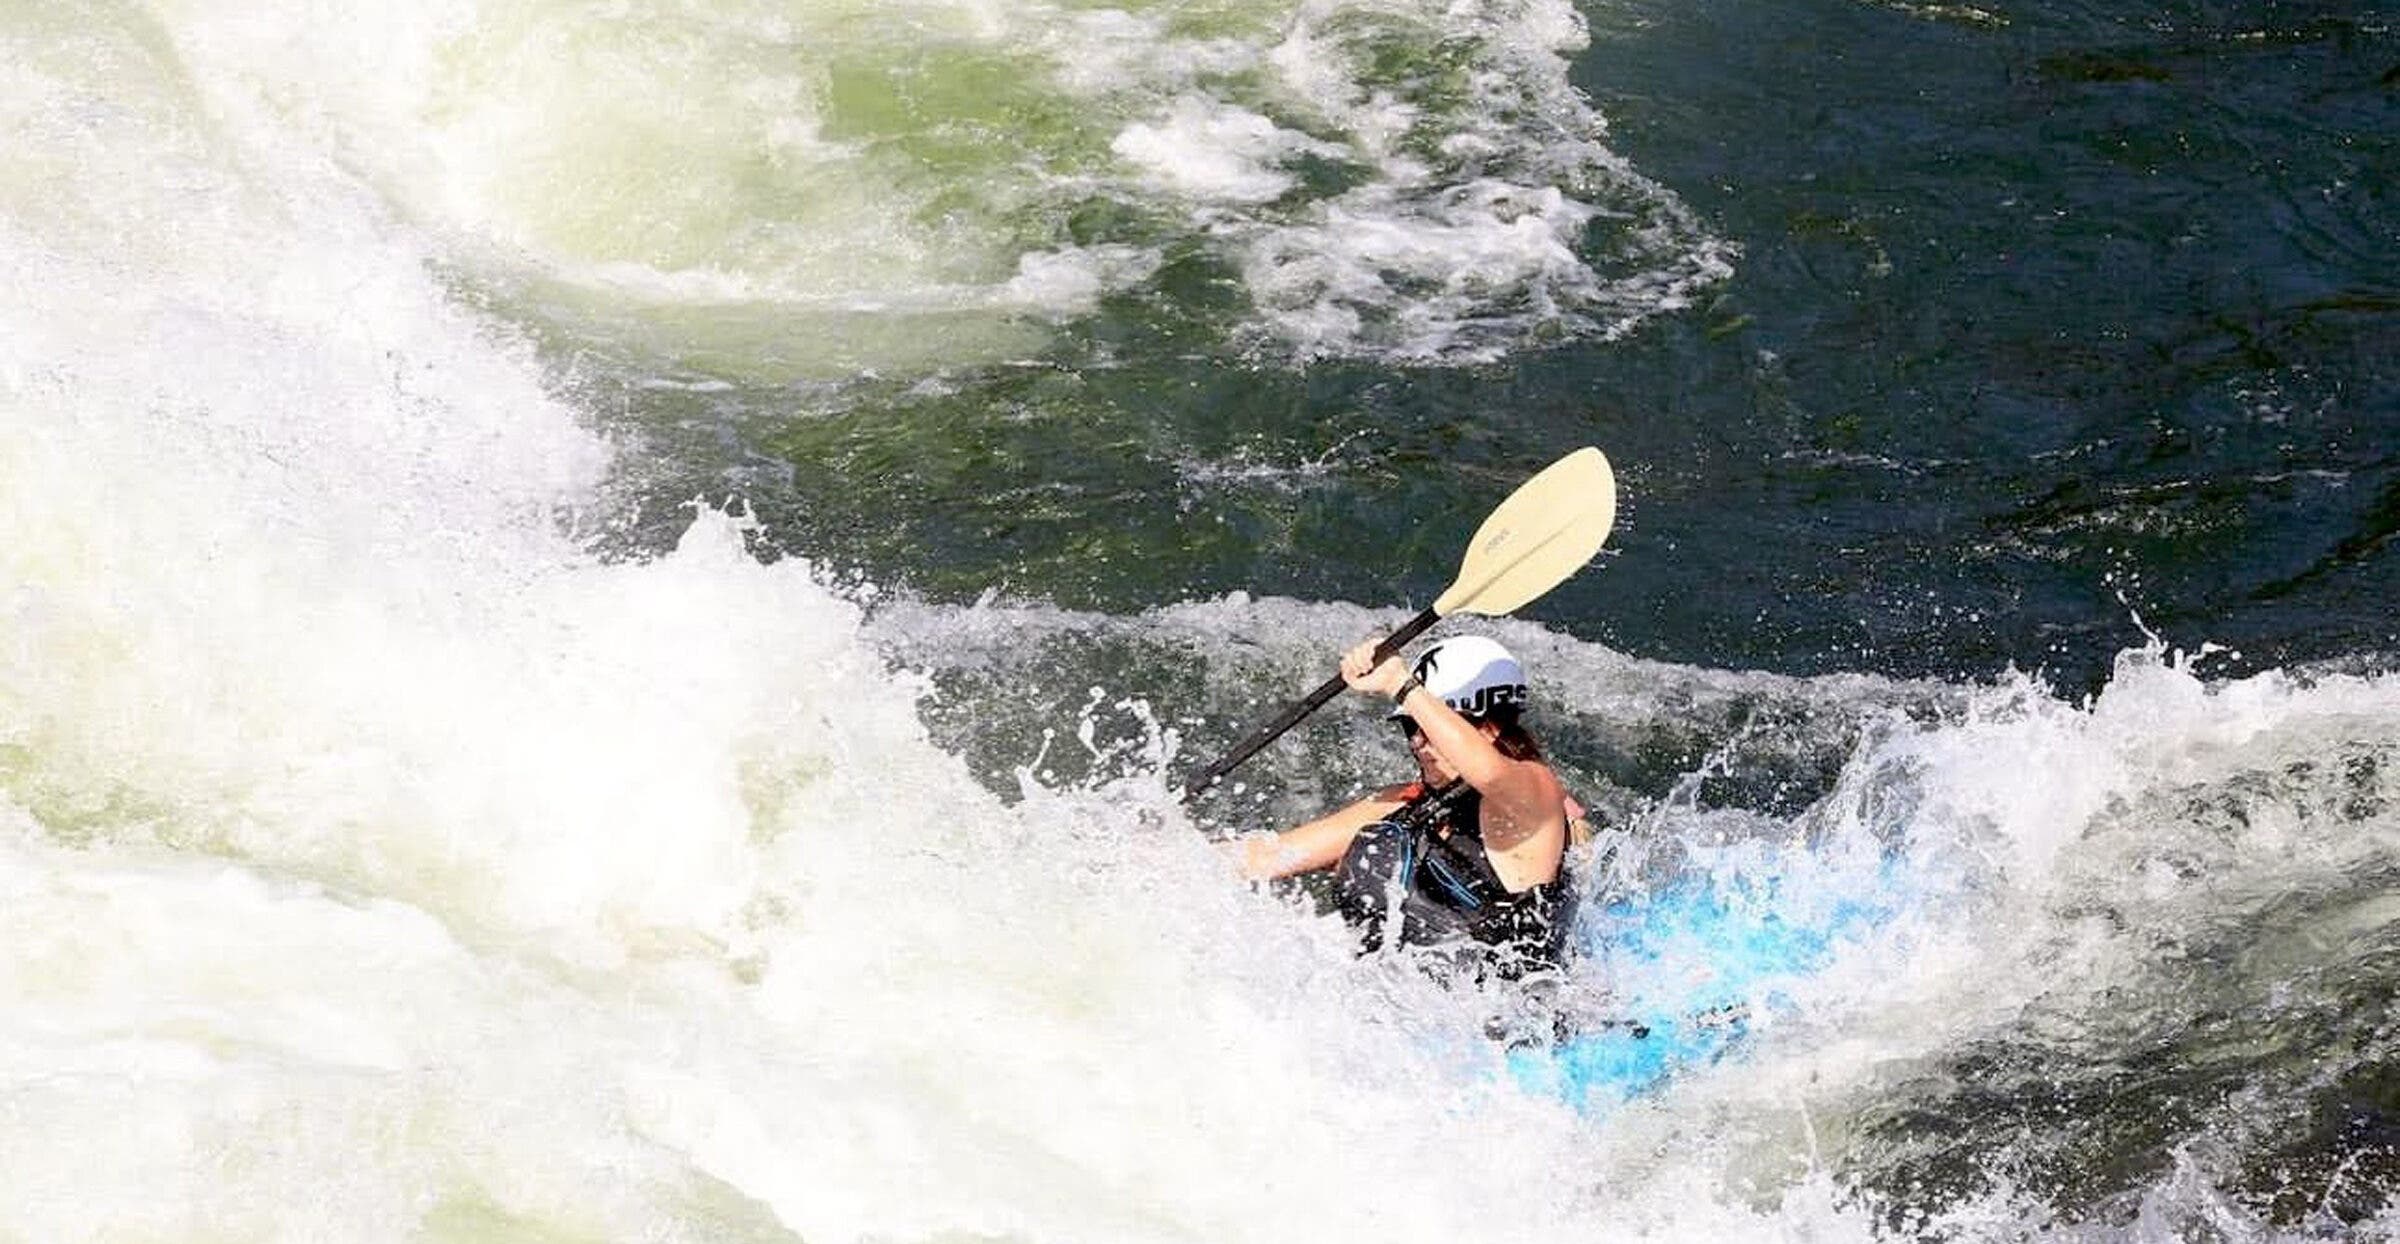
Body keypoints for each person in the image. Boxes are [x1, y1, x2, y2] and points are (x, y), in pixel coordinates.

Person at [1233, 634, 1579, 980]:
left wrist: (1400, 683)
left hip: (1511, 1020)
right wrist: (1181, 854)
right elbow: (1266, 857)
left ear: (1488, 728)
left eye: (1427, 726)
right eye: (1410, 726)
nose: (1416, 741)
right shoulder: (1404, 805)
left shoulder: (1535, 796)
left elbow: (1487, 773)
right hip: (1406, 1013)